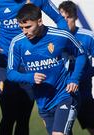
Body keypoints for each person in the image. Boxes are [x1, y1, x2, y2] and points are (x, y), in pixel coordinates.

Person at [0, 0, 68, 135]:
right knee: (9, 115)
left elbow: (59, 19)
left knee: (24, 118)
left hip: (29, 65)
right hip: (4, 66)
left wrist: (61, 40)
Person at [7, 3, 86, 135]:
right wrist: (29, 77)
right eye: (21, 28)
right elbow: (10, 73)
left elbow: (81, 55)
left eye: (28, 27)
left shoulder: (61, 36)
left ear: (39, 21)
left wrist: (74, 79)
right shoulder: (17, 43)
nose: (25, 32)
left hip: (65, 95)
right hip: (44, 102)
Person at [58, 1, 94, 135]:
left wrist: (86, 74)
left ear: (76, 18)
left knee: (91, 126)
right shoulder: (53, 38)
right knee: (62, 130)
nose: (66, 21)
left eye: (69, 17)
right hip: (61, 93)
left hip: (84, 92)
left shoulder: (88, 37)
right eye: (62, 18)